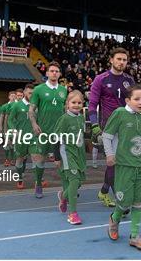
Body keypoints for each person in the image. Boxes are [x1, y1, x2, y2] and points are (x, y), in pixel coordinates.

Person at [105, 85, 141, 251]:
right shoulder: (119, 113)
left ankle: (134, 236)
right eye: (137, 99)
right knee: (124, 202)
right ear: (127, 100)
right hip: (125, 165)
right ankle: (114, 219)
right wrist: (109, 154)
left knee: (138, 201)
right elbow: (107, 135)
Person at [88, 47, 135, 208]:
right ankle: (120, 198)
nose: (122, 62)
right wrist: (94, 125)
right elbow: (92, 104)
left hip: (126, 127)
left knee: (121, 163)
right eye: (119, 59)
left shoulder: (130, 80)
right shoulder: (100, 79)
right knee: (114, 162)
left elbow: (135, 103)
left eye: (124, 60)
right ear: (111, 60)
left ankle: (104, 191)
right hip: (108, 128)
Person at [29, 61, 67, 198]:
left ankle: (66, 190)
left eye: (57, 71)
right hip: (43, 131)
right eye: (52, 71)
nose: (54, 73)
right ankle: (38, 184)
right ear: (47, 73)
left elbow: (65, 110)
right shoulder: (39, 89)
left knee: (62, 161)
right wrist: (34, 124)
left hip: (59, 132)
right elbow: (31, 109)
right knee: (40, 160)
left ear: (60, 74)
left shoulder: (64, 90)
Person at [54, 90, 86, 225]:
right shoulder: (64, 119)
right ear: (67, 104)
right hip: (67, 153)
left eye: (79, 102)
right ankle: (73, 214)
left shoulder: (81, 117)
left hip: (79, 154)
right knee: (73, 181)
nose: (76, 105)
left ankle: (63, 195)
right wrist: (56, 157)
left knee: (79, 182)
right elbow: (56, 138)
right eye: (73, 102)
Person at [9, 84, 34, 190]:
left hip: (33, 137)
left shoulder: (35, 105)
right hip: (21, 137)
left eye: (33, 93)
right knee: (20, 159)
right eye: (29, 93)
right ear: (24, 93)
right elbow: (10, 120)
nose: (31, 95)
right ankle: (20, 178)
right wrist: (14, 130)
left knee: (36, 158)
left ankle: (38, 180)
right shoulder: (17, 105)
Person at [0, 91, 16, 167]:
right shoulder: (5, 106)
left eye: (14, 96)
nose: (13, 97)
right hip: (7, 128)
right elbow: (2, 117)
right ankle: (7, 159)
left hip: (15, 128)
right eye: (12, 96)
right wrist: (0, 127)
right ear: (9, 97)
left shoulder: (17, 105)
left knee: (13, 145)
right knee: (6, 144)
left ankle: (12, 159)